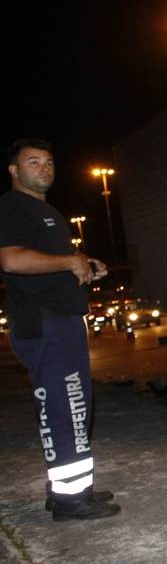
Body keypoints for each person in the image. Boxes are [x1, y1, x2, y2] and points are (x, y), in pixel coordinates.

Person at [0, 138, 120, 521]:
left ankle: (72, 488)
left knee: (76, 407)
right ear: (14, 171)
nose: (44, 168)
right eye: (33, 162)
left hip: (63, 320)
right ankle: (70, 503)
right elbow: (12, 260)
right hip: (45, 323)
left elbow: (54, 264)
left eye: (49, 162)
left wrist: (85, 264)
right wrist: (70, 262)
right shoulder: (12, 206)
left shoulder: (44, 210)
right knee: (64, 408)